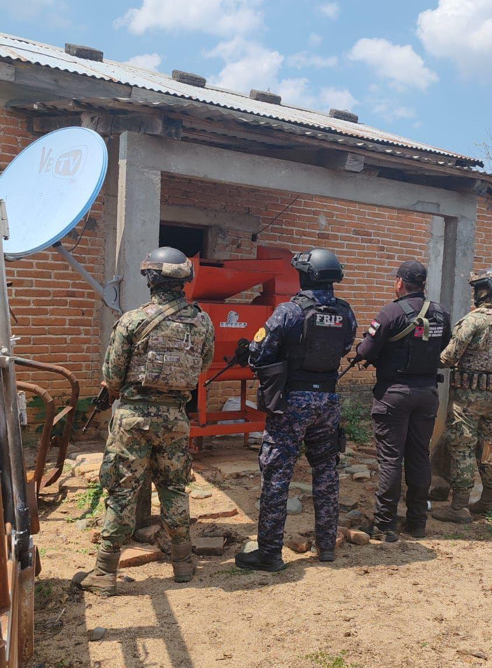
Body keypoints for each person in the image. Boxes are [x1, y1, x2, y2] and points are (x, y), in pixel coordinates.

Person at [73, 247, 215, 597]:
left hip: (134, 419)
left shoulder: (133, 321)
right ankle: (183, 564)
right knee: (174, 487)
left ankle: (105, 573)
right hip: (175, 418)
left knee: (122, 490)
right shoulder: (202, 321)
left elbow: (112, 374)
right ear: (184, 281)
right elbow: (203, 366)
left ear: (151, 278)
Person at [235, 248, 357, 572]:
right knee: (327, 472)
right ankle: (327, 547)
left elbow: (258, 354)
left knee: (277, 475)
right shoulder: (346, 312)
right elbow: (345, 347)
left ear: (305, 275)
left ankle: (270, 554)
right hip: (328, 401)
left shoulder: (289, 311)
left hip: (291, 402)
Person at [355, 261, 450, 540]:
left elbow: (367, 349)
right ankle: (417, 522)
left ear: (399, 283)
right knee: (420, 456)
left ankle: (386, 525)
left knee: (391, 460)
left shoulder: (391, 311)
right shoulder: (441, 313)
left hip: (394, 395)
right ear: (423, 283)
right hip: (427, 393)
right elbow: (444, 346)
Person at [432, 269, 492, 524]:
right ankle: (490, 500)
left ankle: (458, 507)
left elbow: (448, 358)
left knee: (463, 446)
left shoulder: (473, 320)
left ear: (482, 291)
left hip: (468, 397)